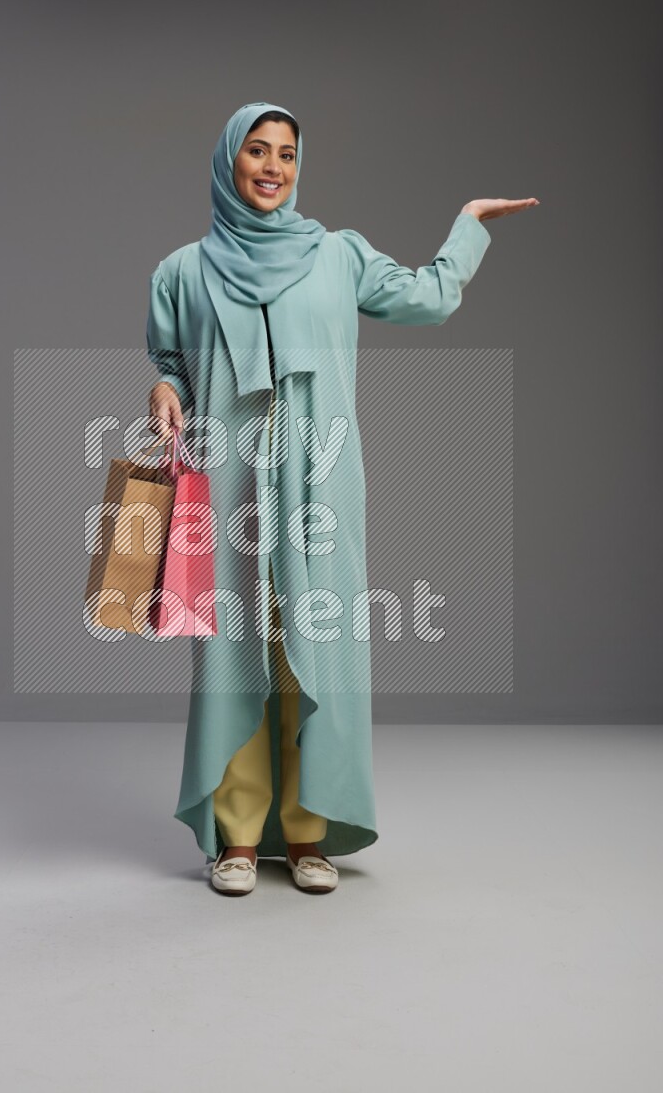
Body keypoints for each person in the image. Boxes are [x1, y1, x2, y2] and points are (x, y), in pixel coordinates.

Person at [146, 100, 538, 896]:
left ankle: (309, 827)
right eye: (256, 151)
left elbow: (429, 295)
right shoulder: (182, 270)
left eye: (286, 154)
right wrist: (163, 386)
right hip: (227, 487)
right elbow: (169, 359)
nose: (272, 167)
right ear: (229, 161)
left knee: (311, 646)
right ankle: (239, 837)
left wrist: (467, 225)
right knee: (233, 655)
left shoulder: (338, 254)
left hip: (322, 481)